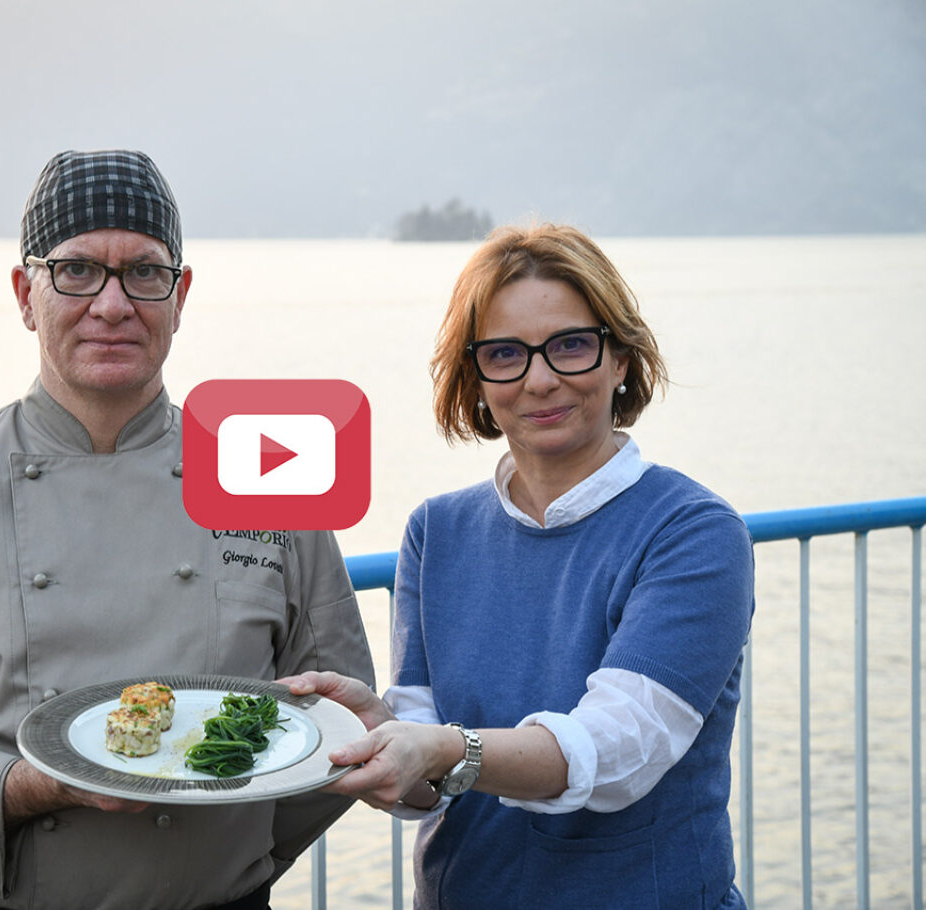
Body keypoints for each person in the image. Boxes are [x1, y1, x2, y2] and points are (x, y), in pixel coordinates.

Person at [0, 149, 375, 910]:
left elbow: (340, 724)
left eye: (144, 273)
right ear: (24, 291)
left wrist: (231, 864)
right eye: (76, 270)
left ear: (182, 296)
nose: (112, 305)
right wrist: (27, 788)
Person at [284, 223, 754, 908]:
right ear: (475, 379)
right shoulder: (436, 531)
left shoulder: (693, 531)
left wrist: (444, 748)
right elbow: (424, 785)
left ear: (621, 358)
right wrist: (377, 732)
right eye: (505, 354)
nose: (539, 379)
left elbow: (617, 750)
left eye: (570, 345)